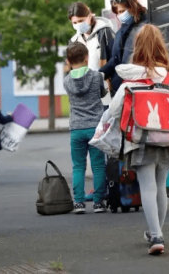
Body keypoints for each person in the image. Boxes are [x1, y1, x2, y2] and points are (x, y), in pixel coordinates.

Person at [105, 24, 169, 255]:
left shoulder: (131, 79)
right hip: (168, 140)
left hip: (140, 140)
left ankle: (155, 235)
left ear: (137, 48)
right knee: (160, 187)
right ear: (161, 48)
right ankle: (156, 232)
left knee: (147, 187)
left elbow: (114, 110)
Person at [63, 42, 107, 214]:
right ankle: (98, 203)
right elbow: (102, 93)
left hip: (76, 128)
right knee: (98, 166)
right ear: (87, 57)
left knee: (78, 166)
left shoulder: (67, 81)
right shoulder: (97, 77)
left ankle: (79, 203)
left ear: (68, 60)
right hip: (95, 127)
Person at [99, 0, 148, 97]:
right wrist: (101, 74)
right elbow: (116, 59)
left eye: (122, 11)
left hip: (139, 86)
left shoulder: (146, 27)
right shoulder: (121, 31)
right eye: (117, 13)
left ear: (132, 6)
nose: (120, 15)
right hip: (122, 88)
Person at [67, 2, 115, 108]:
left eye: (81, 21)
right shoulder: (74, 41)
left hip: (105, 93)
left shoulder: (104, 33)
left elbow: (114, 59)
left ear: (89, 16)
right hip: (84, 95)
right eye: (75, 22)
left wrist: (100, 76)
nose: (78, 24)